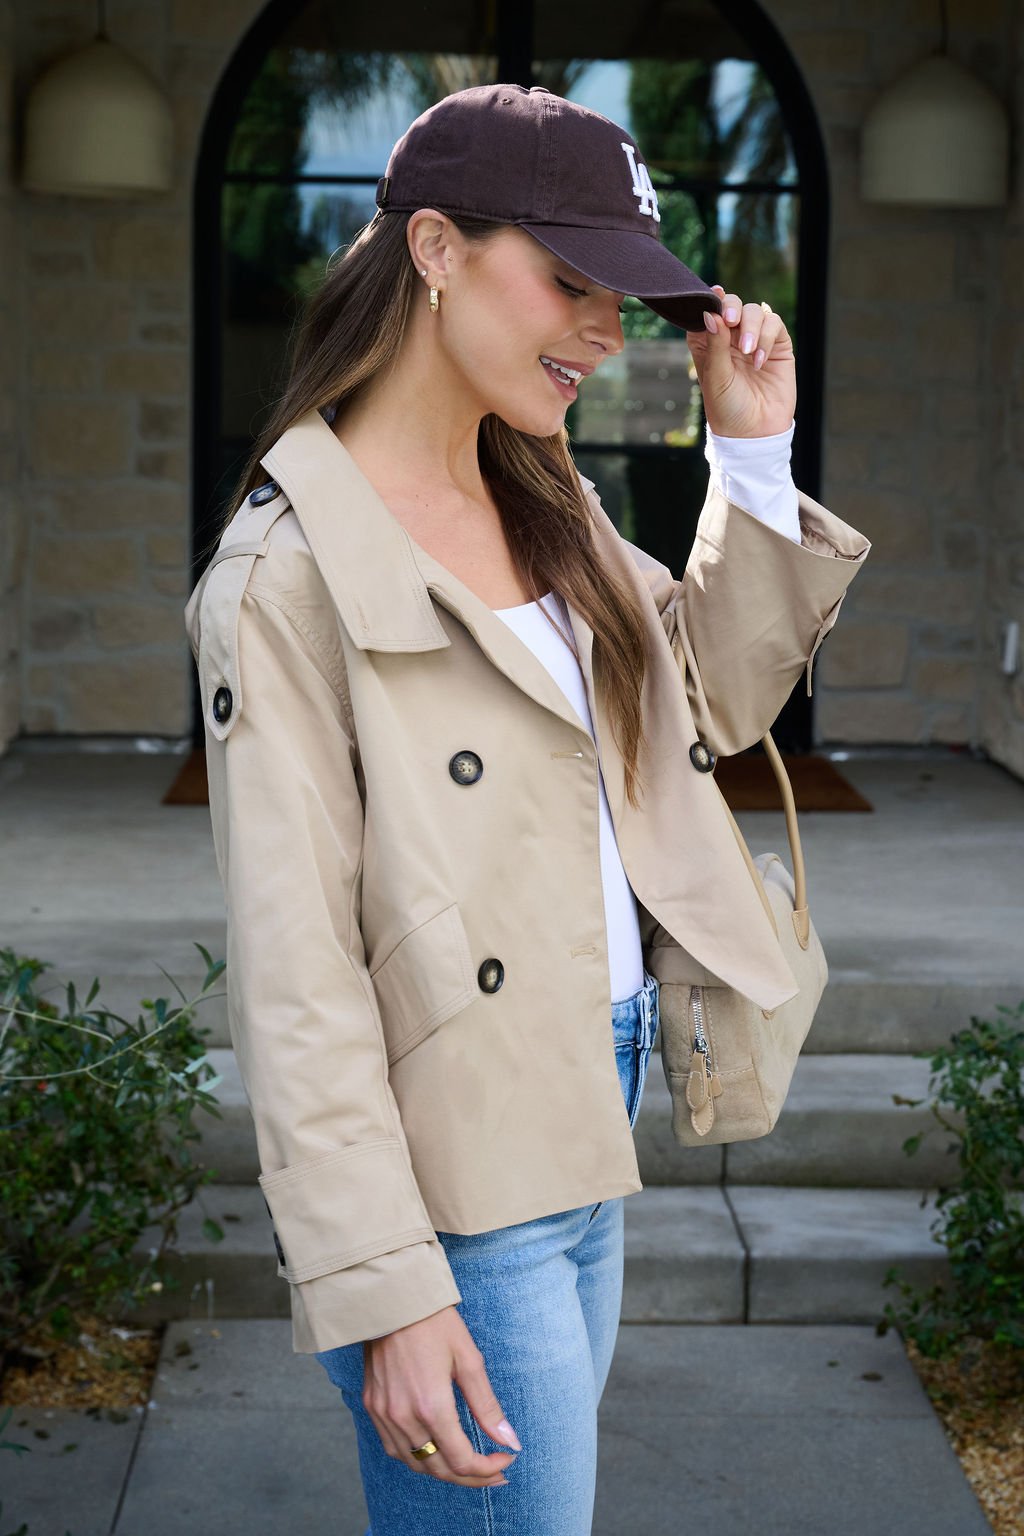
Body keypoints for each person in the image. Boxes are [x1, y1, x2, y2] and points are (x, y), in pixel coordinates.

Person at [184, 83, 869, 1536]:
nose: (606, 330)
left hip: (588, 1104)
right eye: (570, 279)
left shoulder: (539, 488)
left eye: (620, 291)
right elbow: (297, 973)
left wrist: (750, 455)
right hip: (455, 1180)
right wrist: (385, 1286)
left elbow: (711, 707)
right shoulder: (287, 576)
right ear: (434, 248)